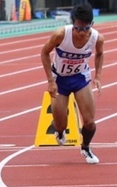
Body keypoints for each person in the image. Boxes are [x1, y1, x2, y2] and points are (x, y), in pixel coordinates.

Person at [40, 4, 103, 164]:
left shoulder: (97, 37)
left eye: (86, 29)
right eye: (77, 28)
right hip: (60, 79)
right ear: (72, 24)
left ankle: (86, 147)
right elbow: (44, 52)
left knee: (90, 122)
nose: (81, 33)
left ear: (92, 24)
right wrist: (50, 81)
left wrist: (98, 76)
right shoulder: (61, 34)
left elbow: (100, 53)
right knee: (61, 124)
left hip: (80, 78)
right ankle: (60, 132)